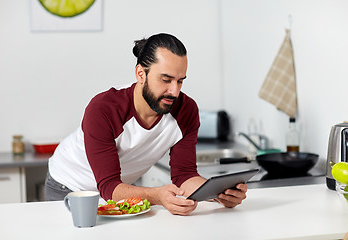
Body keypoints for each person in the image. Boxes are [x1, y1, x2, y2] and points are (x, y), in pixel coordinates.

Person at [44, 33, 247, 215]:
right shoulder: (104, 109)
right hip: (69, 186)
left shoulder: (187, 110)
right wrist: (158, 196)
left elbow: (185, 175)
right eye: (166, 79)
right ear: (141, 74)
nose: (174, 91)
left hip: (118, 191)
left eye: (180, 81)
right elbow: (108, 186)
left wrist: (219, 193)